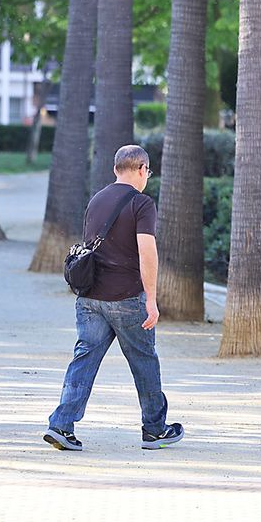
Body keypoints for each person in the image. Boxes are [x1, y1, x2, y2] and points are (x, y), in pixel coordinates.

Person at [44, 144, 185, 452]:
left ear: (115, 170)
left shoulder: (97, 200)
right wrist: (151, 298)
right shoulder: (142, 204)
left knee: (84, 360)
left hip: (90, 298)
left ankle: (61, 425)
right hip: (126, 298)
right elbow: (147, 252)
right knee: (144, 362)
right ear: (141, 170)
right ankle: (155, 429)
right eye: (148, 171)